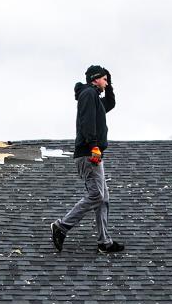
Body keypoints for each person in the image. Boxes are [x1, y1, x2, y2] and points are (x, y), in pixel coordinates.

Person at [51, 64, 124, 254]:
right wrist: (93, 146)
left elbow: (110, 104)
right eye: (104, 79)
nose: (106, 83)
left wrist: (110, 83)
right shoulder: (88, 95)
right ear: (95, 79)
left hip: (93, 152)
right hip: (88, 153)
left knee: (103, 198)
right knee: (97, 195)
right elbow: (87, 122)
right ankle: (61, 226)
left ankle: (104, 242)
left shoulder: (94, 97)